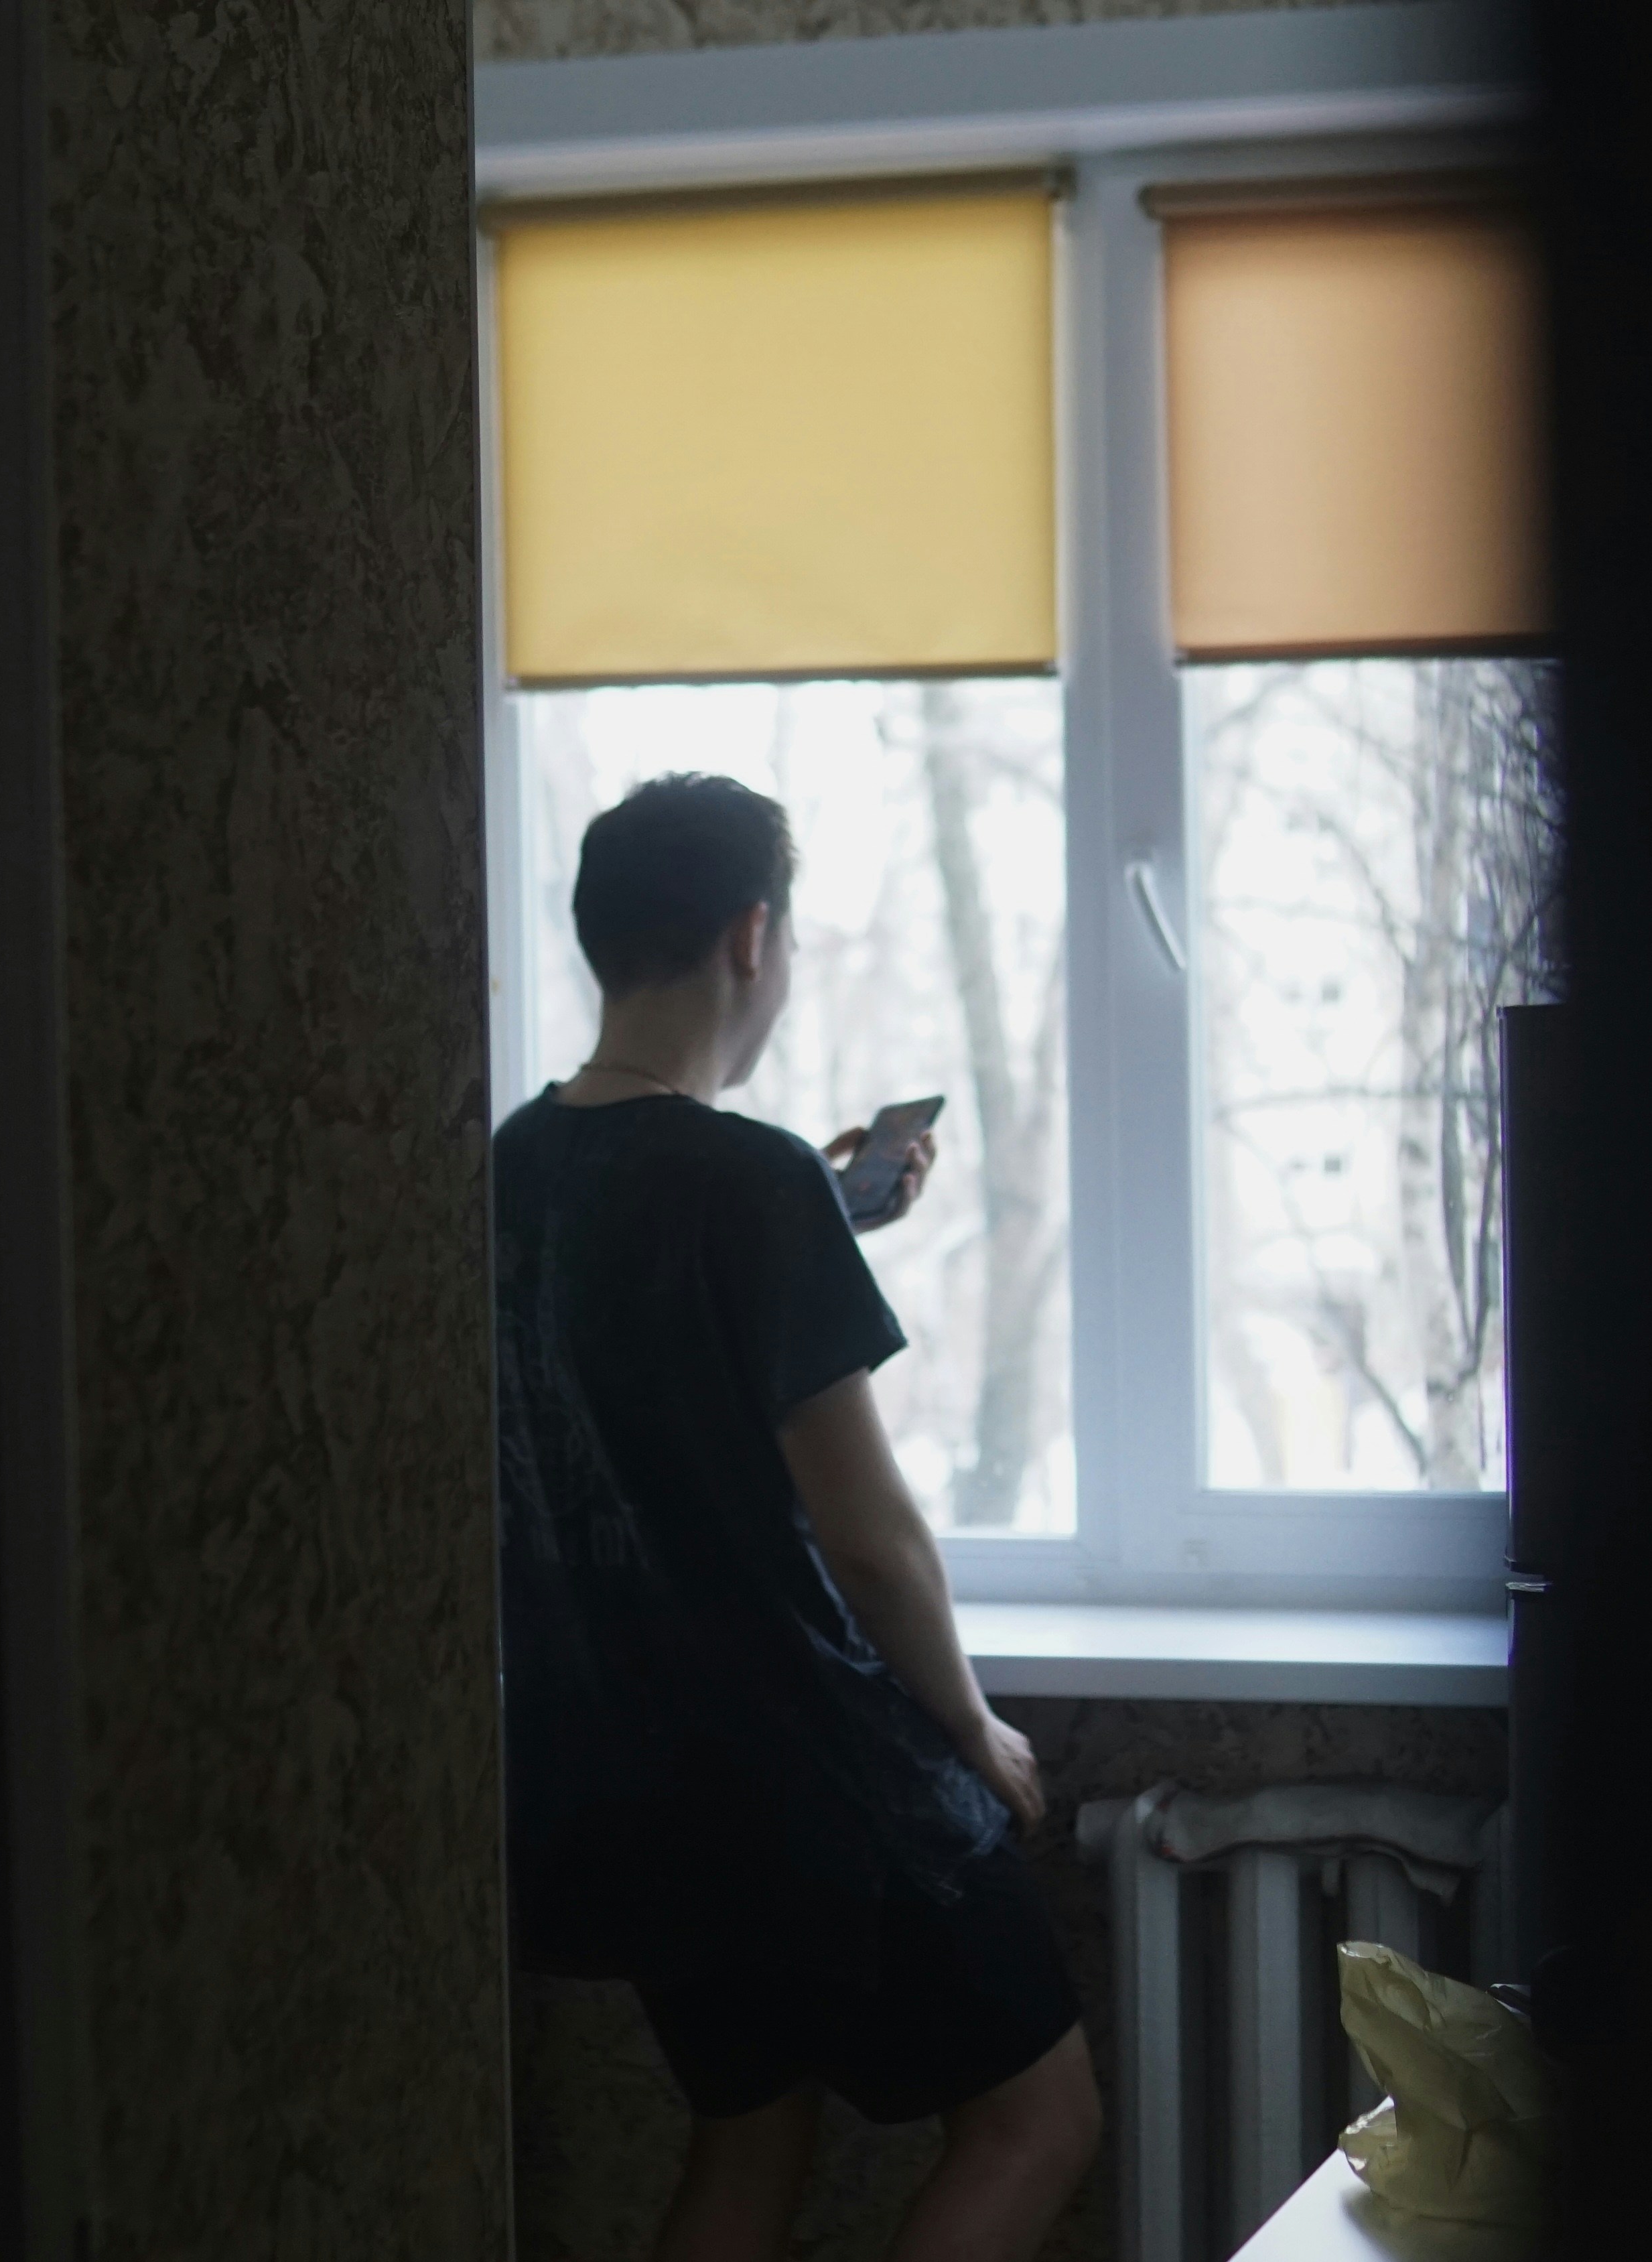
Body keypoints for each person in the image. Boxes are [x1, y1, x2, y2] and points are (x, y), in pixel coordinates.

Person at [494, 773, 1100, 2262]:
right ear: (753, 935)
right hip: (802, 1766)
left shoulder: (508, 1162)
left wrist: (827, 1213)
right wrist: (966, 1727)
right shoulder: (748, 1177)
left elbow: (637, 1339)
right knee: (1040, 2115)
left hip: (621, 1777)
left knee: (750, 2130)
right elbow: (868, 1530)